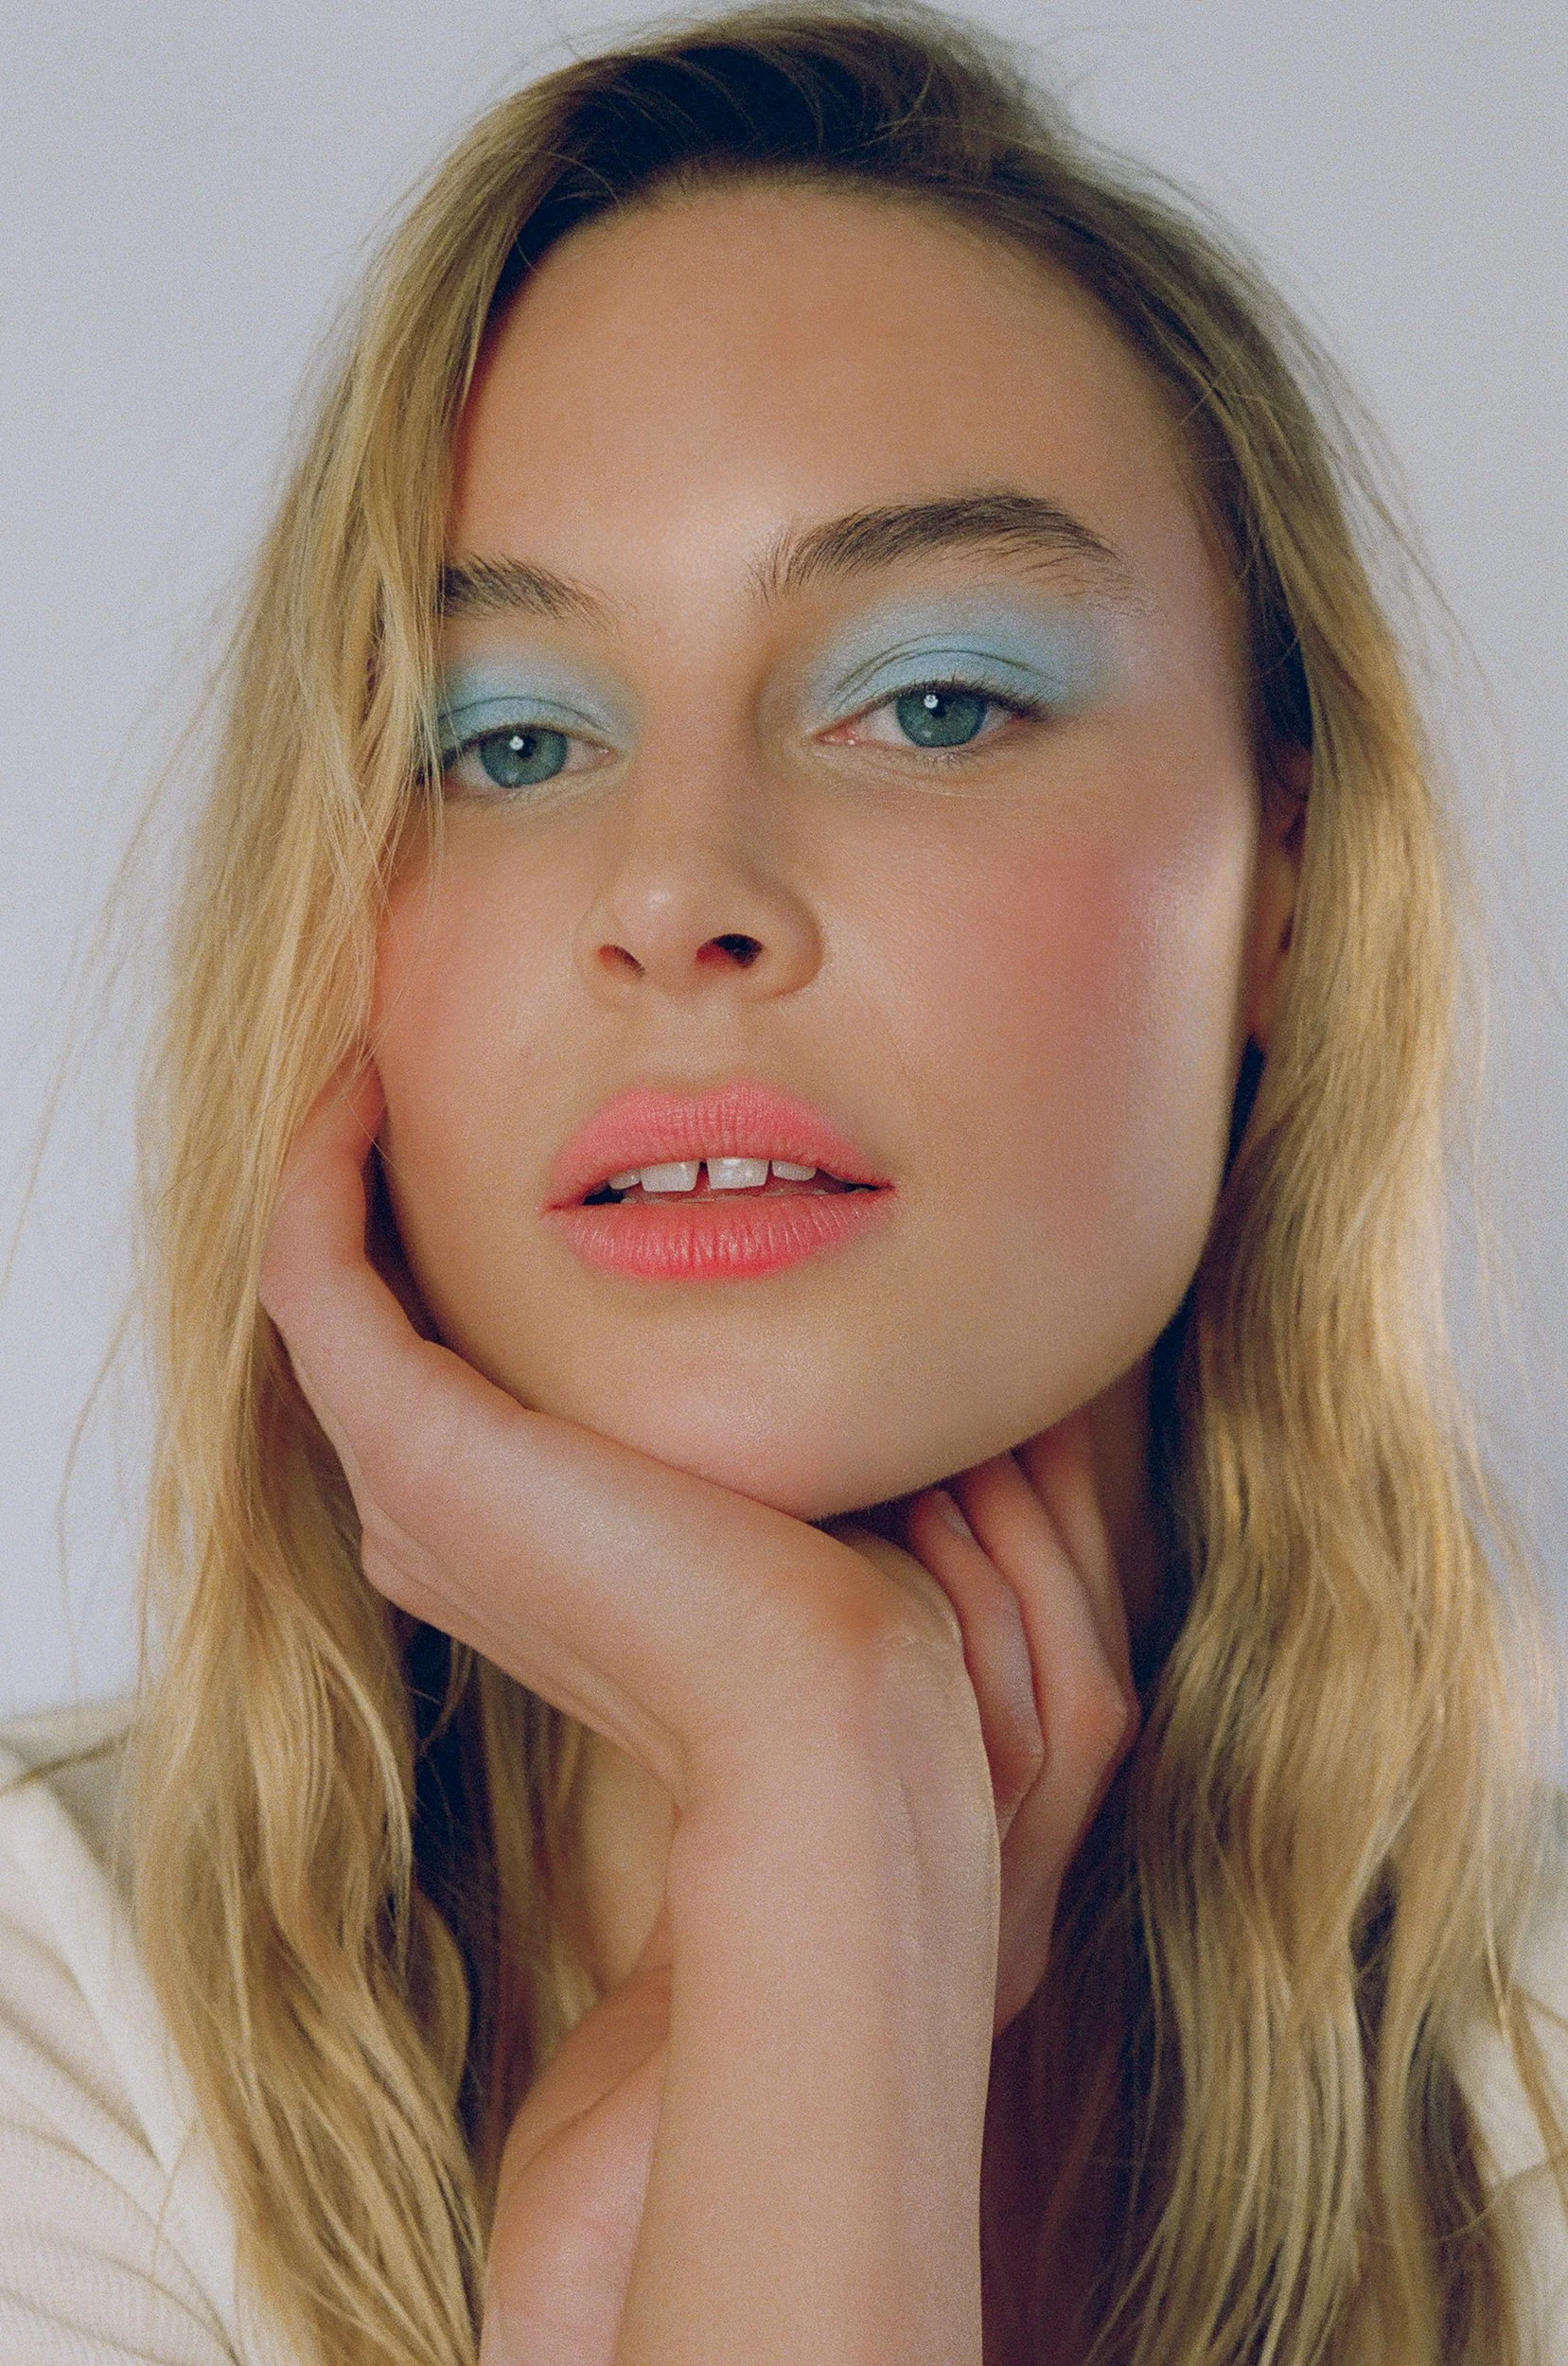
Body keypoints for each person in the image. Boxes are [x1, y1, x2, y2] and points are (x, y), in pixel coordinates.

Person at [2, 2, 1564, 2359]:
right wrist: (827, 1800)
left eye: (933, 698)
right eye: (509, 737)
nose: (677, 889)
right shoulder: (52, 2023)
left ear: (1287, 884)